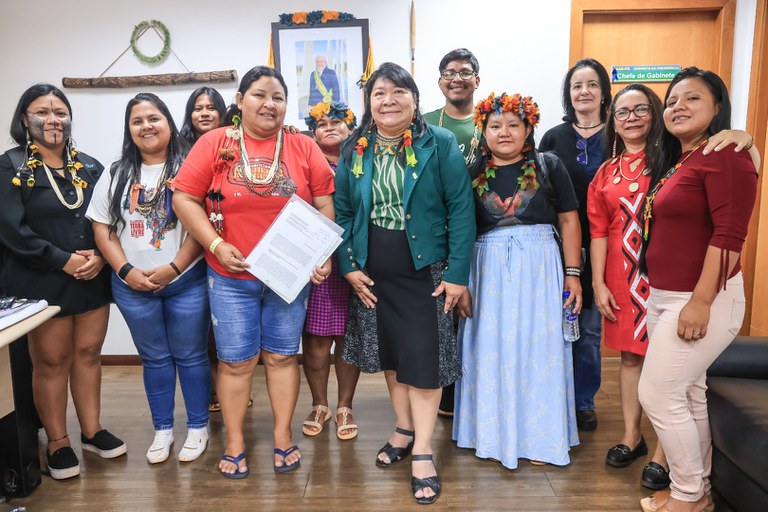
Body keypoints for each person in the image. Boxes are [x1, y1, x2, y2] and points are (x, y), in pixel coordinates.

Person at [172, 66, 335, 478]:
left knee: (282, 358)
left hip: (287, 279)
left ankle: (282, 437)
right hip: (230, 278)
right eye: (260, 95)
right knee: (235, 363)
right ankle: (235, 442)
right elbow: (184, 200)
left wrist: (323, 254)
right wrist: (215, 244)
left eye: (278, 97)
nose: (270, 103)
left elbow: (323, 206)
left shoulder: (303, 146)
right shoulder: (214, 143)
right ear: (240, 100)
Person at [334, 62, 475, 504]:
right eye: (379, 93)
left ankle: (423, 449)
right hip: (374, 272)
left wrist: (456, 275)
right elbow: (342, 212)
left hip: (426, 269)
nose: (388, 100)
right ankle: (402, 428)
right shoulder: (355, 147)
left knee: (425, 360)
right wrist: (349, 265)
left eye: (398, 92)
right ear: (369, 103)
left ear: (415, 100)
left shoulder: (441, 142)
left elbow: (461, 210)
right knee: (392, 354)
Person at [637, 67, 758, 512]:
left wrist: (701, 302)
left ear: (717, 108)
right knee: (688, 393)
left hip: (702, 299)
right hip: (665, 297)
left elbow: (729, 235)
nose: (678, 107)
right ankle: (698, 487)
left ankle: (689, 496)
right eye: (671, 101)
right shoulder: (683, 160)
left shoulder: (727, 154)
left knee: (658, 393)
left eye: (692, 99)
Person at [0, 84, 125, 480]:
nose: (53, 119)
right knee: (51, 361)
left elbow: (111, 219)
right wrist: (63, 261)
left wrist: (102, 256)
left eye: (60, 112)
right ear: (25, 119)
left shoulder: (90, 166)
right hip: (40, 282)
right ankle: (57, 441)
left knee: (88, 353)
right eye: (42, 111)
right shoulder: (10, 167)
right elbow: (11, 231)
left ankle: (91, 430)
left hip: (91, 277)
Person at [453, 92, 581, 468]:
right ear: (483, 130)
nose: (504, 132)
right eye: (495, 125)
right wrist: (461, 281)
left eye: (513, 124)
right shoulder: (470, 172)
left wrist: (572, 274)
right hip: (486, 267)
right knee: (488, 346)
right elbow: (459, 227)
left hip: (540, 267)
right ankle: (490, 435)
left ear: (528, 128)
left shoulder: (549, 165)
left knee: (538, 348)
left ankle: (542, 438)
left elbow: (570, 219)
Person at [88, 93, 211, 464]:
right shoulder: (115, 172)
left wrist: (173, 268)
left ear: (169, 123)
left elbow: (202, 228)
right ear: (129, 129)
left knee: (191, 356)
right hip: (132, 287)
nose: (147, 126)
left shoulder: (191, 166)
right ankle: (162, 430)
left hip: (185, 280)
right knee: (154, 359)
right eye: (137, 121)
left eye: (153, 118)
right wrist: (125, 271)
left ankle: (198, 426)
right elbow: (102, 226)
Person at [587, 84, 670, 488]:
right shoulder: (606, 172)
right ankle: (631, 436)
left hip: (667, 276)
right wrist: (599, 283)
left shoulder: (673, 161)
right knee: (631, 359)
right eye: (622, 112)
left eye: (641, 109)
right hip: (622, 278)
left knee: (668, 363)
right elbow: (598, 232)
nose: (631, 117)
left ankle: (664, 452)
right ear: (613, 122)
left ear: (655, 115)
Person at [539, 58, 612, 432]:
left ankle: (583, 400)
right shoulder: (553, 137)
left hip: (604, 247)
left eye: (592, 84)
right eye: (576, 86)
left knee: (589, 330)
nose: (584, 92)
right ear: (569, 95)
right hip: (557, 246)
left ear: (603, 92)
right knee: (553, 326)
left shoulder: (619, 132)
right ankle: (553, 395)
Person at [423, 48, 481, 419]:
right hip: (440, 233)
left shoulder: (492, 120)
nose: (456, 78)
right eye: (449, 72)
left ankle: (478, 387)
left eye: (465, 71)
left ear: (478, 78)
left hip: (489, 228)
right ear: (440, 80)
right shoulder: (426, 122)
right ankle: (445, 392)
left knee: (478, 314)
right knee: (443, 315)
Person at [300, 101, 360, 440]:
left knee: (347, 336)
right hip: (313, 261)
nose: (330, 127)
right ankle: (319, 404)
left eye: (338, 122)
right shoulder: (304, 161)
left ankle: (345, 405)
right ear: (313, 132)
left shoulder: (360, 161)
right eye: (322, 124)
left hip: (353, 258)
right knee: (317, 338)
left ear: (351, 130)